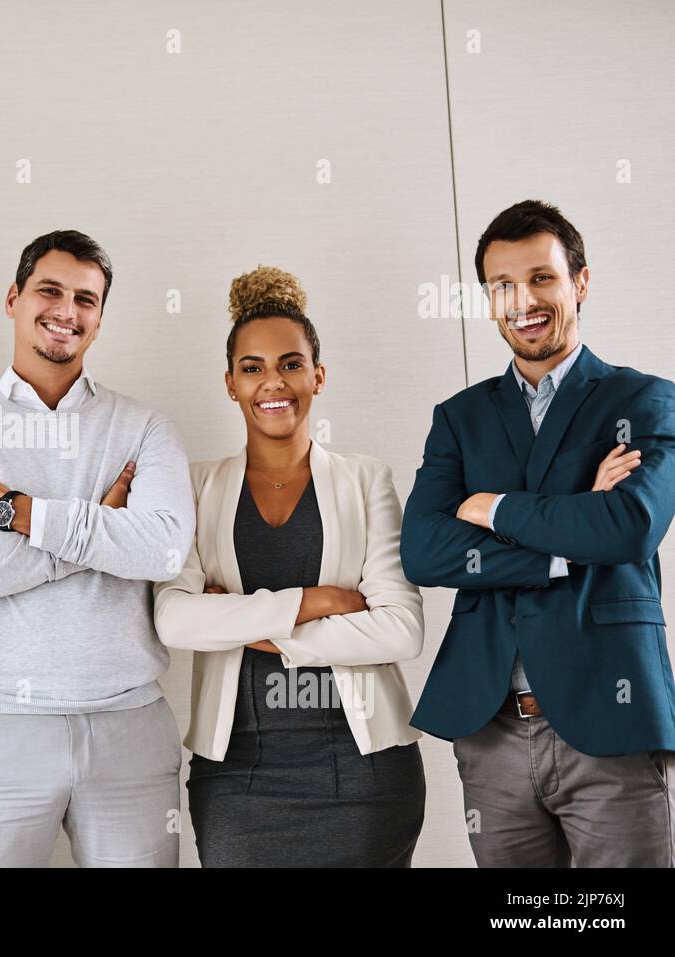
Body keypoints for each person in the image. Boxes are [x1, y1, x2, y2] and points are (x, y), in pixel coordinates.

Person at [0, 229, 196, 867]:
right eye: (50, 290)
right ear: (13, 298)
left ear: (100, 318)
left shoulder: (145, 426)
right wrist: (100, 527)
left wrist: (18, 514)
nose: (66, 311)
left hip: (131, 728)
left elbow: (162, 551)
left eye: (85, 299)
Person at [403, 199, 675, 866]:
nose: (523, 300)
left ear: (580, 282)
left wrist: (494, 506)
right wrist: (567, 535)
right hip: (492, 728)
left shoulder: (644, 400)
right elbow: (424, 549)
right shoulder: (460, 418)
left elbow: (629, 526)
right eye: (502, 285)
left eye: (542, 278)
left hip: (610, 721)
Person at [154, 265, 426, 867]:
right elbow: (173, 621)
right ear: (230, 383)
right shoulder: (195, 487)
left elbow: (401, 630)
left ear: (318, 375)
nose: (272, 382)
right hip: (236, 777)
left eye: (290, 364)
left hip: (365, 772)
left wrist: (242, 624)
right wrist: (316, 601)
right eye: (252, 368)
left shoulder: (364, 480)